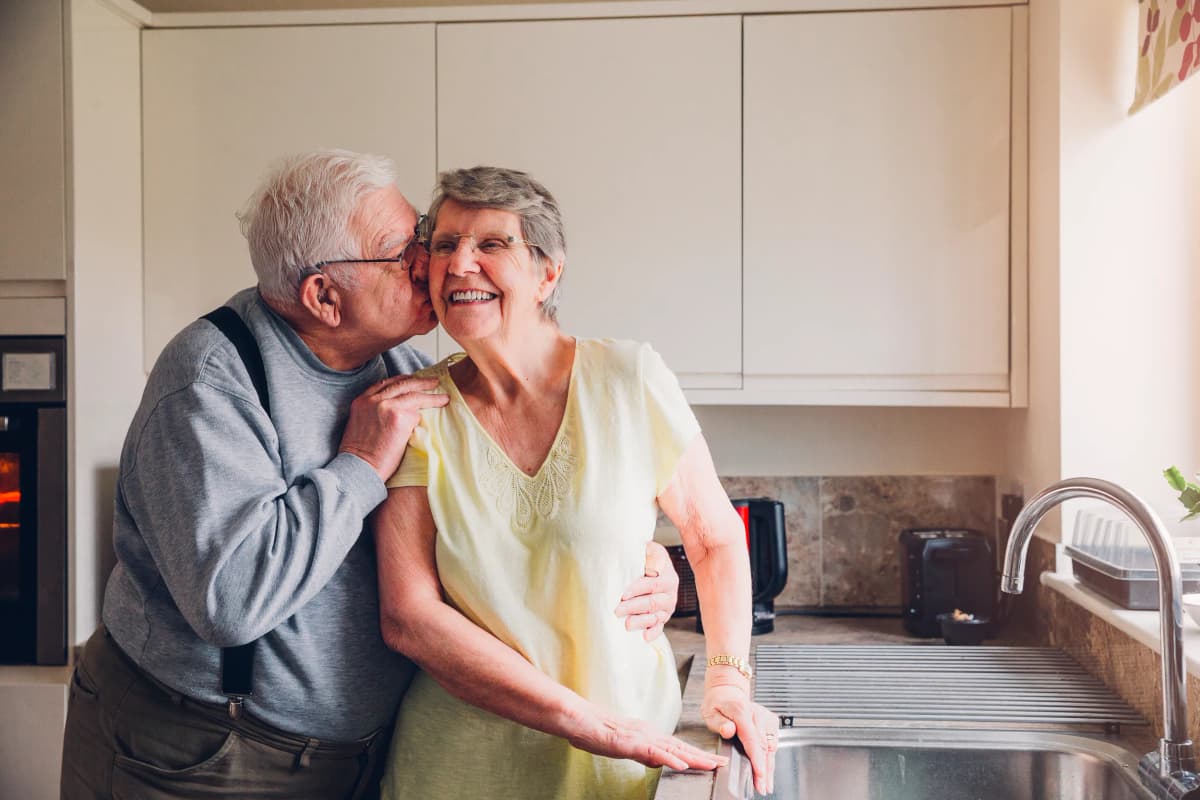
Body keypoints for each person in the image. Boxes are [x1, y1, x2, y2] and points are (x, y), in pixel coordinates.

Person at [59, 150, 685, 799]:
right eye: (402, 249)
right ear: (324, 295)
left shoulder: (402, 368)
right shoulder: (211, 384)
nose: (433, 260)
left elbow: (497, 528)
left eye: (421, 230)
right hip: (204, 754)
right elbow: (232, 600)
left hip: (362, 756)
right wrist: (358, 466)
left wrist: (635, 560)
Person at [374, 166, 779, 800]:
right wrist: (588, 723)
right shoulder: (414, 410)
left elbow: (713, 539)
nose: (459, 264)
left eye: (491, 244)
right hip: (461, 773)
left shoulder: (628, 378)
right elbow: (410, 618)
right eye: (446, 244)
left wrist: (728, 681)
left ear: (547, 273)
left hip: (624, 768)